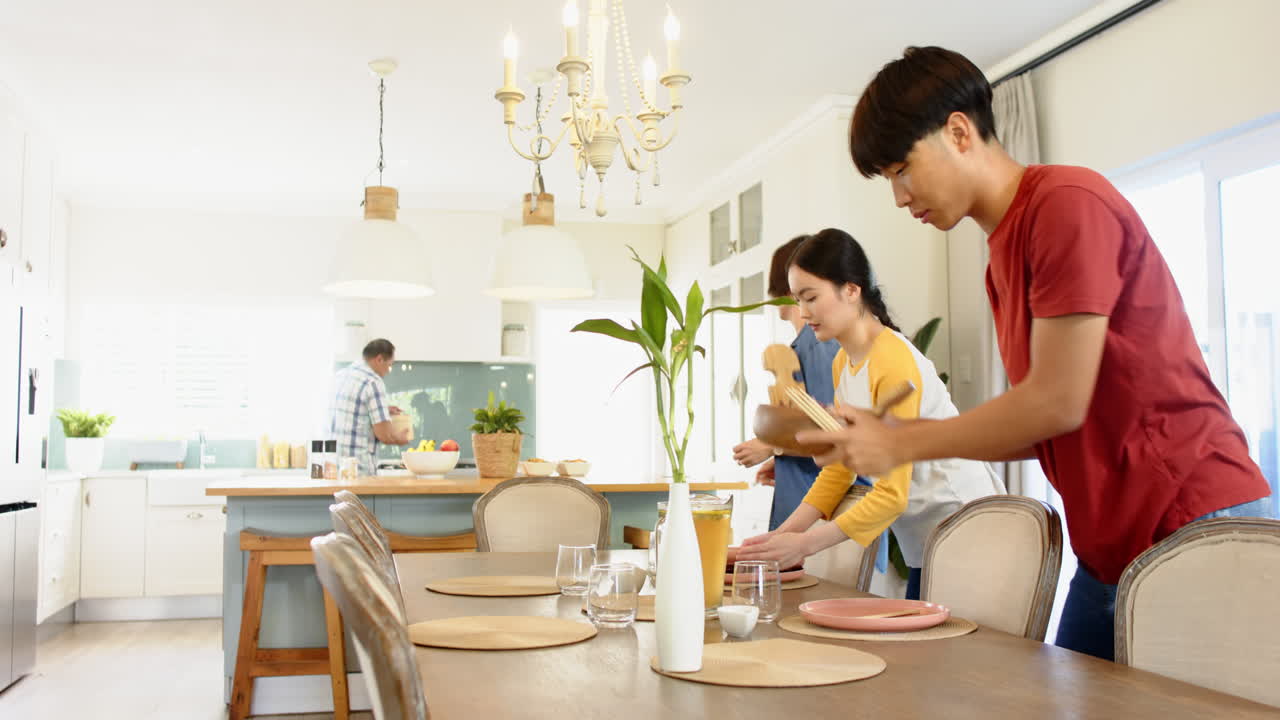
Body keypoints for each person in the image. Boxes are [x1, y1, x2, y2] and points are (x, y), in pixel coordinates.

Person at [800, 46, 1272, 659]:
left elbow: (1056, 401)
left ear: (959, 132)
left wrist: (902, 440)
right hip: (1111, 538)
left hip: (1190, 518)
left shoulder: (1066, 203)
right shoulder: (1000, 259)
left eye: (901, 170)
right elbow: (1044, 420)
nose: (899, 196)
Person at [738, 228, 1005, 600]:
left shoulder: (891, 361)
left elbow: (891, 495)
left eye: (811, 297)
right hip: (925, 538)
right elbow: (840, 468)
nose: (802, 313)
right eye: (797, 299)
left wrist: (806, 545)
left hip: (964, 530)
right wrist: (785, 535)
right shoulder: (845, 362)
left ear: (851, 289)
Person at [733, 236, 842, 530]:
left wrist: (771, 446)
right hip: (807, 504)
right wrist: (782, 458)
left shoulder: (819, 346)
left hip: (818, 511)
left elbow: (831, 431)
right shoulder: (804, 347)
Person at [328, 338, 412, 476]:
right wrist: (400, 439)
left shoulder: (340, 376)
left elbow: (354, 411)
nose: (388, 371)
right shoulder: (372, 381)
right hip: (357, 471)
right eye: (389, 365)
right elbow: (385, 435)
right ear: (379, 359)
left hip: (333, 468)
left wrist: (384, 409)